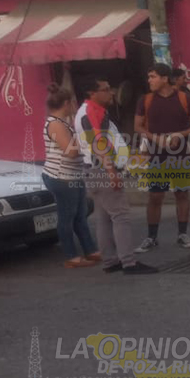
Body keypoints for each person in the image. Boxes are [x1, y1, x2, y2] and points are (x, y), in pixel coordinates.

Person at [76, 77, 157, 274]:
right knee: (120, 216)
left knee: (104, 218)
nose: (111, 92)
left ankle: (111, 261)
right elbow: (98, 143)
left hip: (95, 171)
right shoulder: (90, 112)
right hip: (102, 170)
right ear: (92, 93)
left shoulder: (89, 111)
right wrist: (111, 171)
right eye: (105, 89)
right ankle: (129, 262)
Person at [134, 63, 190, 252]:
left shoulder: (184, 99)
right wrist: (156, 138)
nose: (150, 81)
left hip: (180, 156)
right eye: (149, 77)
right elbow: (138, 127)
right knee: (155, 196)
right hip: (156, 157)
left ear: (165, 79)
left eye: (153, 77)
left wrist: (179, 135)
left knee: (181, 193)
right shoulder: (145, 100)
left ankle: (182, 234)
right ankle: (151, 237)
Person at [41, 84, 100, 268]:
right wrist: (86, 141)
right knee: (67, 217)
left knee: (79, 215)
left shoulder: (64, 122)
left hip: (73, 175)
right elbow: (71, 152)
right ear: (66, 103)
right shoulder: (56, 124)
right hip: (62, 177)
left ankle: (90, 250)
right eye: (72, 102)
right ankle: (71, 256)